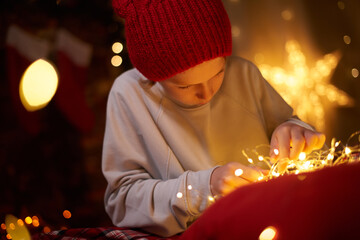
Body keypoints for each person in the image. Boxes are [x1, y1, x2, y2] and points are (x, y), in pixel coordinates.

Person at [102, 0, 326, 237]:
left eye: (218, 73)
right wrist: (203, 187)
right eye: (185, 86)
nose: (206, 94)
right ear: (153, 77)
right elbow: (122, 202)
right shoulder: (129, 94)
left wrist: (294, 129)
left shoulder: (244, 73)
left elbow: (291, 126)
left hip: (269, 223)